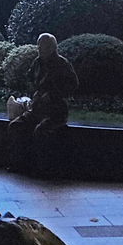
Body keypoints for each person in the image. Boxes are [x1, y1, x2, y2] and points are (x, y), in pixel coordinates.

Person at [7, 33, 78, 172]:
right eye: (39, 45)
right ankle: (18, 163)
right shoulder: (37, 62)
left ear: (52, 47)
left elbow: (73, 85)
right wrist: (34, 93)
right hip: (37, 108)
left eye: (43, 46)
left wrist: (53, 95)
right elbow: (29, 78)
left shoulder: (62, 64)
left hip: (55, 110)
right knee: (16, 126)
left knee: (41, 131)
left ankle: (42, 168)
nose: (39, 48)